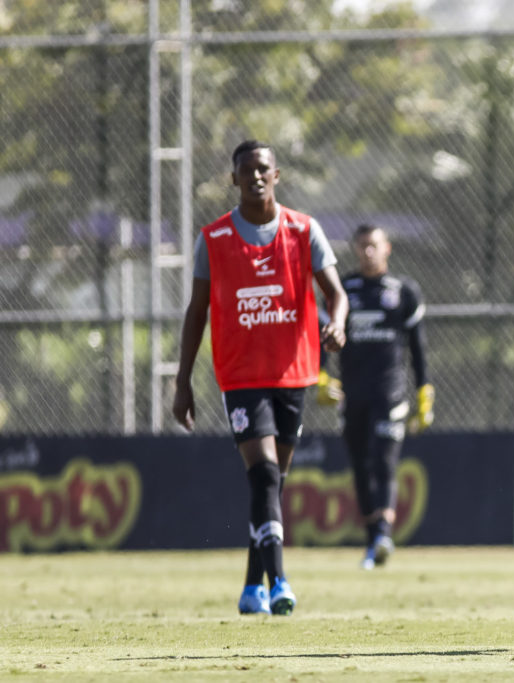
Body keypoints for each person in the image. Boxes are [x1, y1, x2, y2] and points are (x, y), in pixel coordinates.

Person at [172, 140, 347, 616]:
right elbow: (197, 311)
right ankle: (279, 582)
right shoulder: (214, 239)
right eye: (246, 169)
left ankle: (252, 585)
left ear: (276, 174)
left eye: (263, 168)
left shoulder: (304, 230)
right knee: (266, 472)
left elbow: (336, 293)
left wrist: (338, 322)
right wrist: (182, 380)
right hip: (241, 376)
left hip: (293, 373)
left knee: (270, 482)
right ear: (233, 178)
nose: (255, 176)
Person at [335, 224, 433, 570]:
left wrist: (424, 392)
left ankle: (383, 535)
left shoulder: (404, 291)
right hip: (352, 393)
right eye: (362, 246)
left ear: (387, 248)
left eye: (374, 245)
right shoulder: (343, 289)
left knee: (384, 461)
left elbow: (418, 348)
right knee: (360, 465)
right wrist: (321, 378)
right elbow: (322, 336)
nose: (368, 252)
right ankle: (373, 539)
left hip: (391, 392)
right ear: (355, 249)